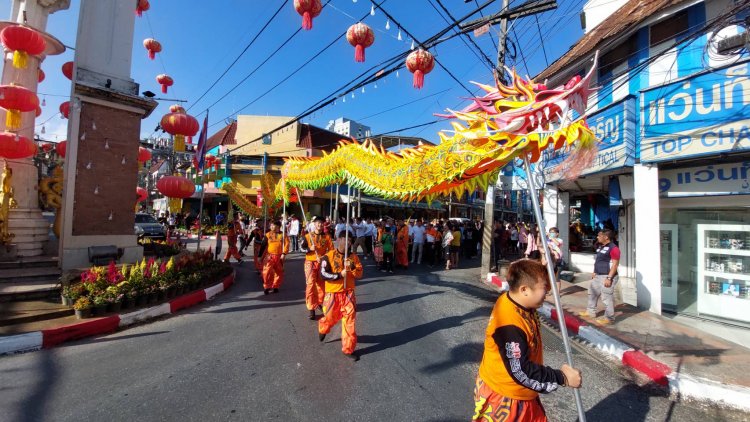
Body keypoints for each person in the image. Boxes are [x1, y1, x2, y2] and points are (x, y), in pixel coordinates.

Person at [473, 259, 582, 421]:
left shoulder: (518, 299)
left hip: (520, 393)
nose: (548, 293)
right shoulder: (509, 324)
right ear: (524, 289)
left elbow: (538, 278)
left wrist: (546, 261)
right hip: (508, 398)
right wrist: (562, 377)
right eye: (544, 289)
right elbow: (521, 370)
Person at [318, 231, 364, 361]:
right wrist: (339, 275)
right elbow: (323, 274)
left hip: (348, 293)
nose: (348, 242)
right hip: (333, 293)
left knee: (350, 320)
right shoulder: (328, 256)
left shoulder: (354, 257)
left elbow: (359, 274)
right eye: (346, 239)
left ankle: (348, 349)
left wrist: (353, 267)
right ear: (339, 239)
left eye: (351, 240)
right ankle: (323, 327)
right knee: (330, 317)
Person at [580, 229, 620, 325]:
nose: (597, 237)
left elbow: (615, 265)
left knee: (606, 297)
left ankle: (609, 318)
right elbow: (598, 260)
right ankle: (590, 312)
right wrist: (594, 271)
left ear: (606, 237)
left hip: (607, 276)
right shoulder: (601, 247)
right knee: (592, 293)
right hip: (598, 275)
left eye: (599, 235)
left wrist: (609, 278)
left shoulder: (614, 248)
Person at [299, 216, 333, 320]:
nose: (320, 225)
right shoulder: (308, 236)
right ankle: (311, 308)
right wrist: (309, 249)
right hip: (310, 262)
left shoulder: (327, 237)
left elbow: (331, 251)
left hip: (321, 263)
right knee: (310, 284)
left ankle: (319, 302)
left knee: (322, 285)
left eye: (322, 223)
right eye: (318, 223)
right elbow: (301, 248)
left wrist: (324, 258)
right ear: (314, 224)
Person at [257, 220, 290, 295]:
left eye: (273, 225)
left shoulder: (283, 235)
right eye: (270, 225)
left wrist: (284, 253)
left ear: (278, 226)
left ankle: (276, 286)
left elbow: (287, 244)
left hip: (279, 256)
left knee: (279, 272)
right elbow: (263, 245)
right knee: (266, 272)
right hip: (269, 256)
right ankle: (267, 286)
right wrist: (259, 256)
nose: (271, 226)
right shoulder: (268, 234)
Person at [547, 227, 564, 294]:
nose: (551, 234)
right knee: (550, 276)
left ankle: (557, 292)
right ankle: (551, 290)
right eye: (550, 232)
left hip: (558, 261)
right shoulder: (548, 240)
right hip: (550, 260)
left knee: (557, 277)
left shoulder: (560, 240)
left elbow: (558, 244)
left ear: (557, 234)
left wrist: (551, 238)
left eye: (553, 232)